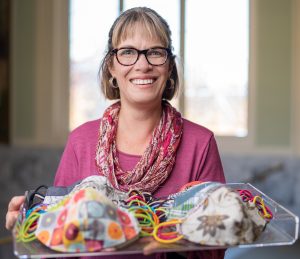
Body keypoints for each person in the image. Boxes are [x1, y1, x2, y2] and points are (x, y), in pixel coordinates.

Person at [6, 7, 225, 259]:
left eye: (155, 52)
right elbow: (61, 242)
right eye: (128, 52)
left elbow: (215, 250)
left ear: (169, 65)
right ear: (111, 66)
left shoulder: (201, 143)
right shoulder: (81, 141)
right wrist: (32, 223)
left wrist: (148, 236)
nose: (142, 65)